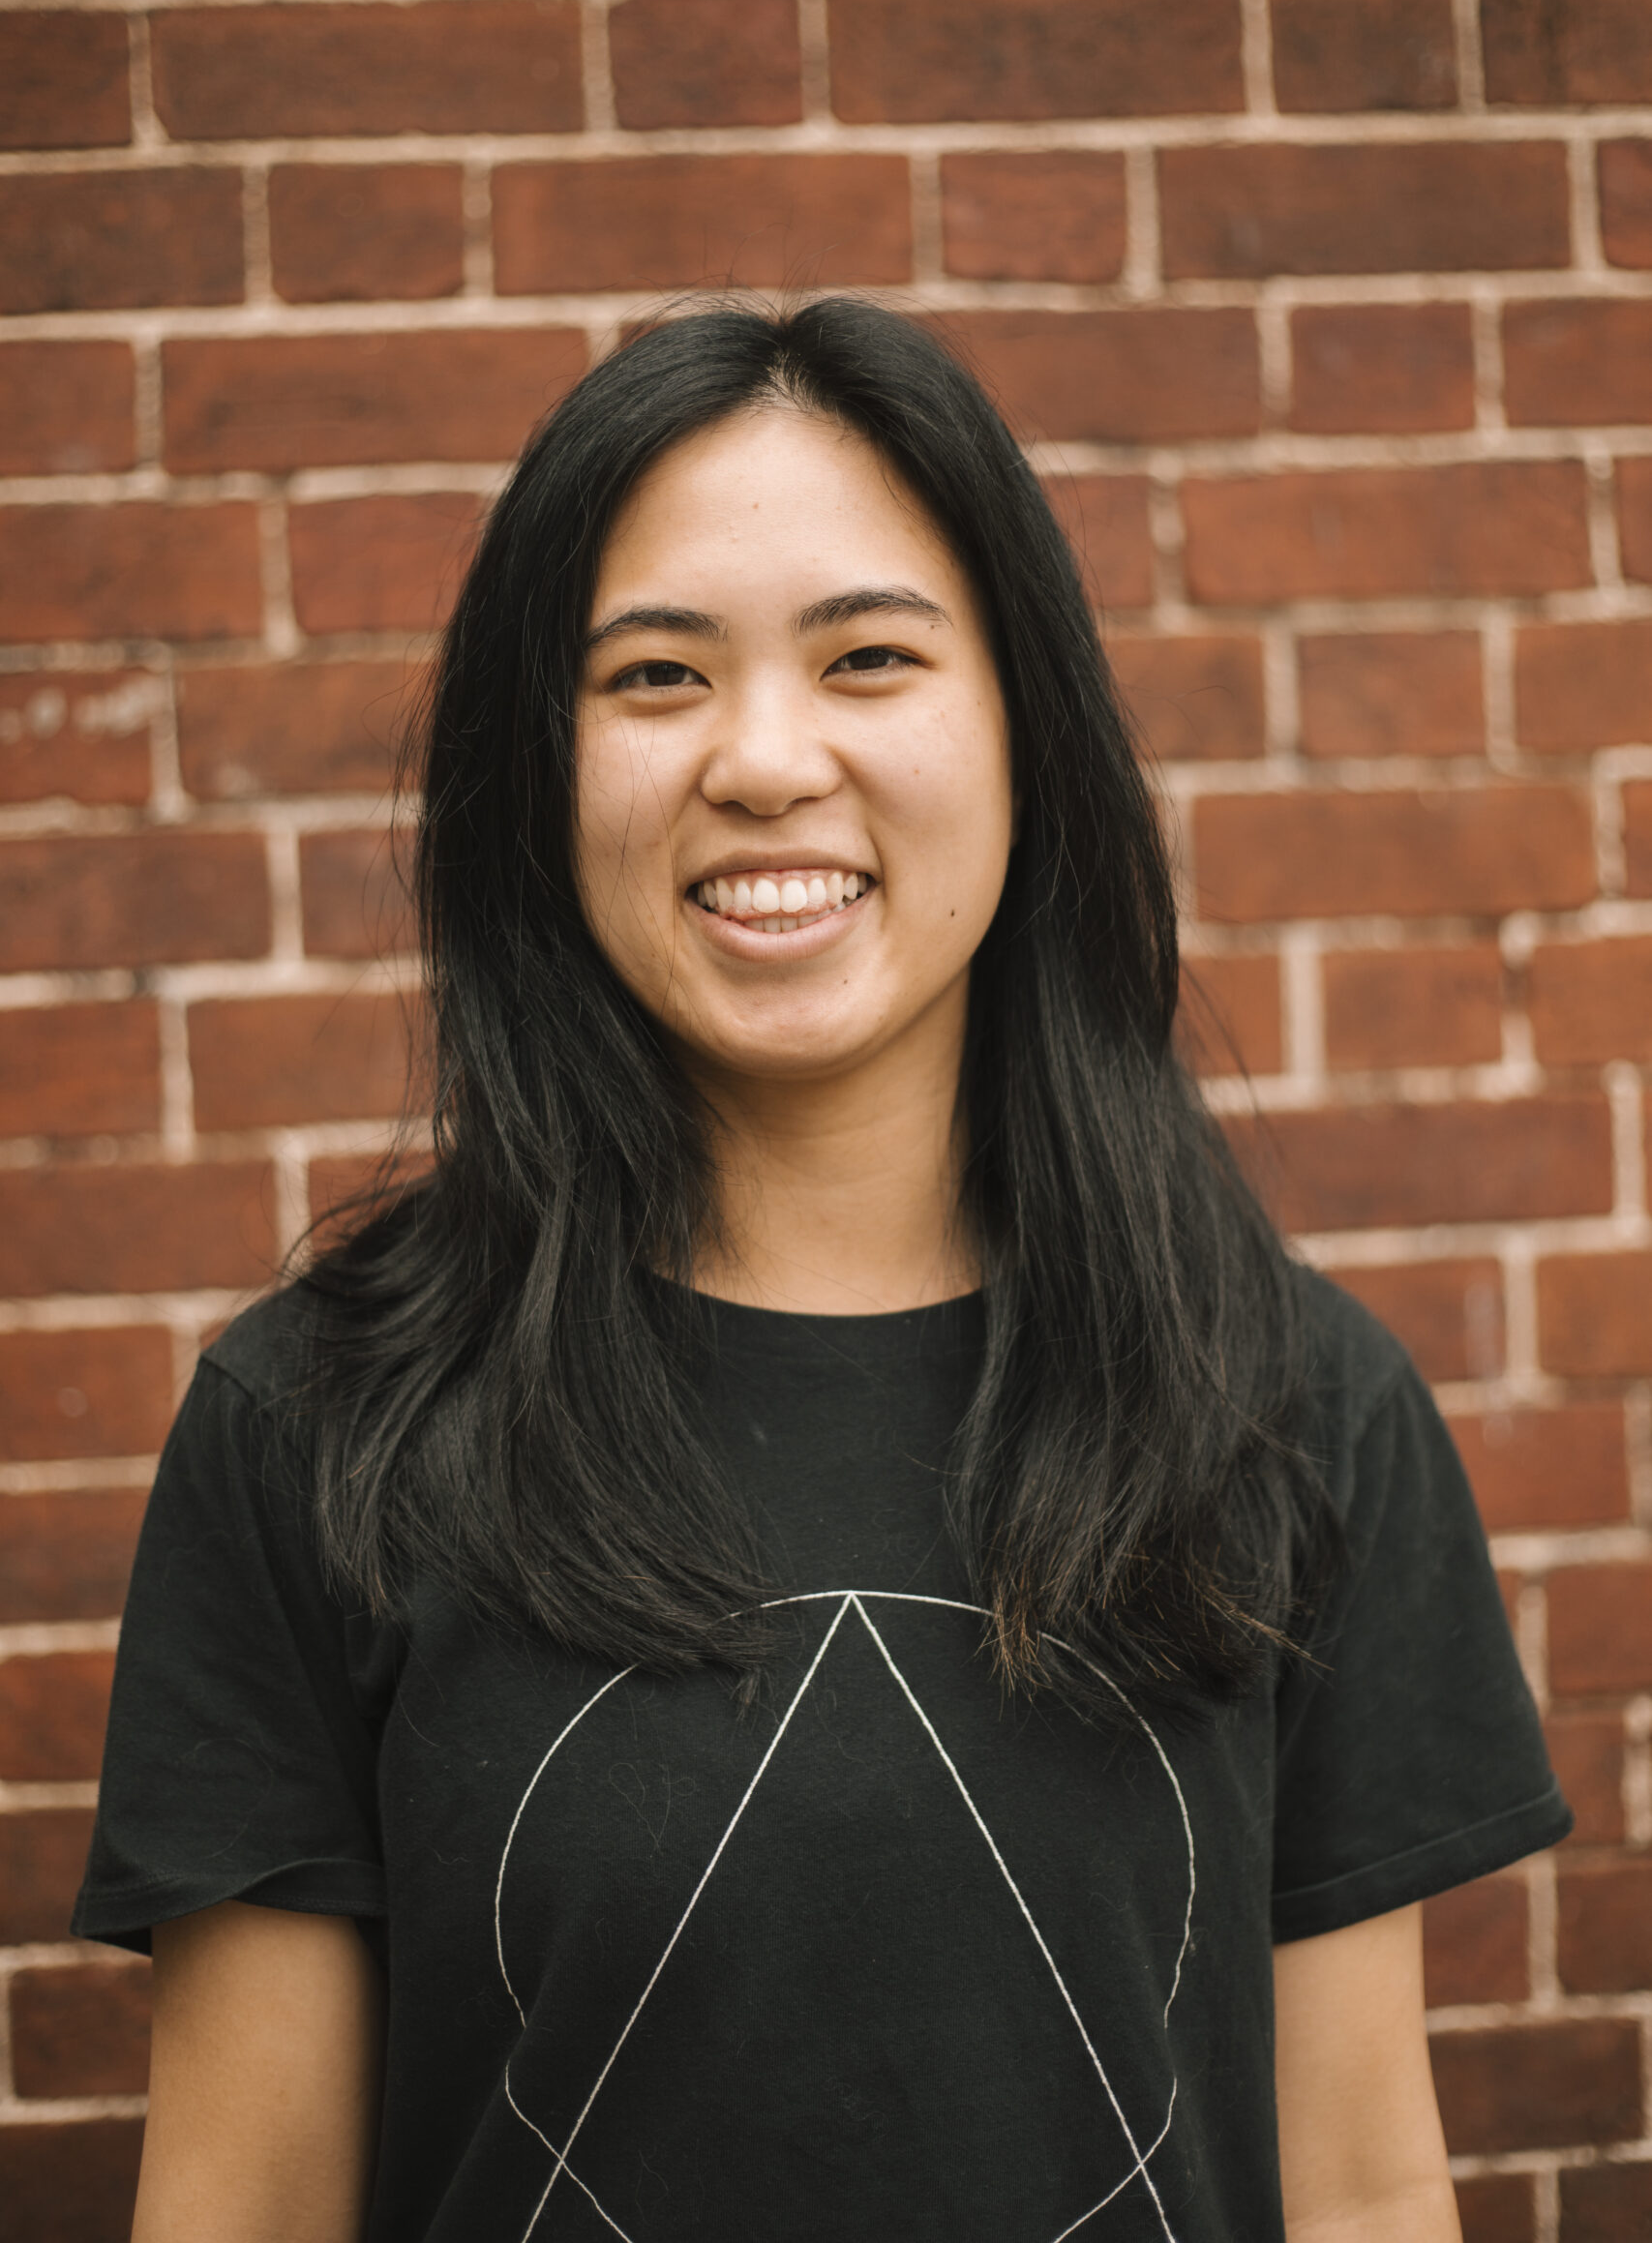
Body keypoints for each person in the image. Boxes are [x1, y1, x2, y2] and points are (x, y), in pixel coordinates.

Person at [77, 301, 1569, 2243]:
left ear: (1022, 722)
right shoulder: (314, 1428)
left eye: (866, 656)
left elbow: (1363, 2181)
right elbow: (244, 2203)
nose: (764, 759)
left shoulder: (1290, 1403)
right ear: (536, 772)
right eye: (652, 676)